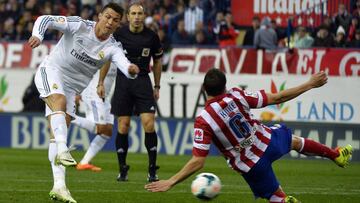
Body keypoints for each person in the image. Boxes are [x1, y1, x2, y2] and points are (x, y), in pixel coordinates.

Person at [145, 68, 353, 203]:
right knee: (295, 141)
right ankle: (335, 155)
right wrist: (309, 84)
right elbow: (278, 96)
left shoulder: (203, 119)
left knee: (276, 196)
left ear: (203, 89)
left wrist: (171, 181)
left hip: (251, 164)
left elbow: (198, 161)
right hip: (268, 141)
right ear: (225, 86)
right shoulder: (236, 94)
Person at [28, 3, 139, 203]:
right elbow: (44, 19)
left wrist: (130, 70)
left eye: (115, 20)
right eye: (107, 16)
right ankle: (63, 149)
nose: (110, 22)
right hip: (51, 71)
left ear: (118, 25)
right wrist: (38, 35)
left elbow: (124, 64)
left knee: (58, 132)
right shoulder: (79, 25)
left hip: (72, 89)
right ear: (100, 16)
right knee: (59, 104)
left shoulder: (113, 47)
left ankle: (59, 186)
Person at [111, 2, 163, 182]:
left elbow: (157, 62)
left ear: (143, 16)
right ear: (128, 16)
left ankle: (152, 169)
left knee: (149, 124)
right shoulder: (118, 34)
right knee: (123, 125)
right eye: (133, 13)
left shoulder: (152, 37)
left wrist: (157, 86)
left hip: (142, 81)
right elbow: (107, 56)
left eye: (139, 14)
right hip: (123, 82)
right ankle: (122, 168)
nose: (136, 17)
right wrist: (101, 82)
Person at [71, 63, 118, 172]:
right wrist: (78, 92)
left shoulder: (119, 53)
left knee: (107, 132)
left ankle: (84, 162)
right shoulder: (103, 52)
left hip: (104, 97)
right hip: (93, 94)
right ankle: (69, 116)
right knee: (100, 129)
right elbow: (83, 70)